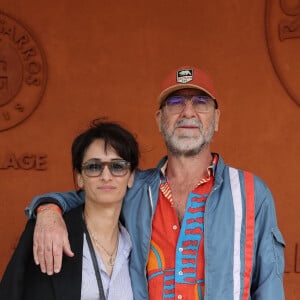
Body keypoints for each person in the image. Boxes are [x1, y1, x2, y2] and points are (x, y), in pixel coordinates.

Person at [23, 66, 285, 299]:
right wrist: (48, 210)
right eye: (175, 102)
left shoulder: (251, 192)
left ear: (216, 119)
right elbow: (88, 194)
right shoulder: (136, 188)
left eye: (201, 102)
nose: (188, 112)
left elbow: (269, 286)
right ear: (160, 120)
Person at [0, 120, 139, 300]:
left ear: (131, 177)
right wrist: (48, 209)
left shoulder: (140, 241)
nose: (106, 176)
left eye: (117, 166)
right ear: (80, 178)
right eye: (94, 167)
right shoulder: (48, 233)